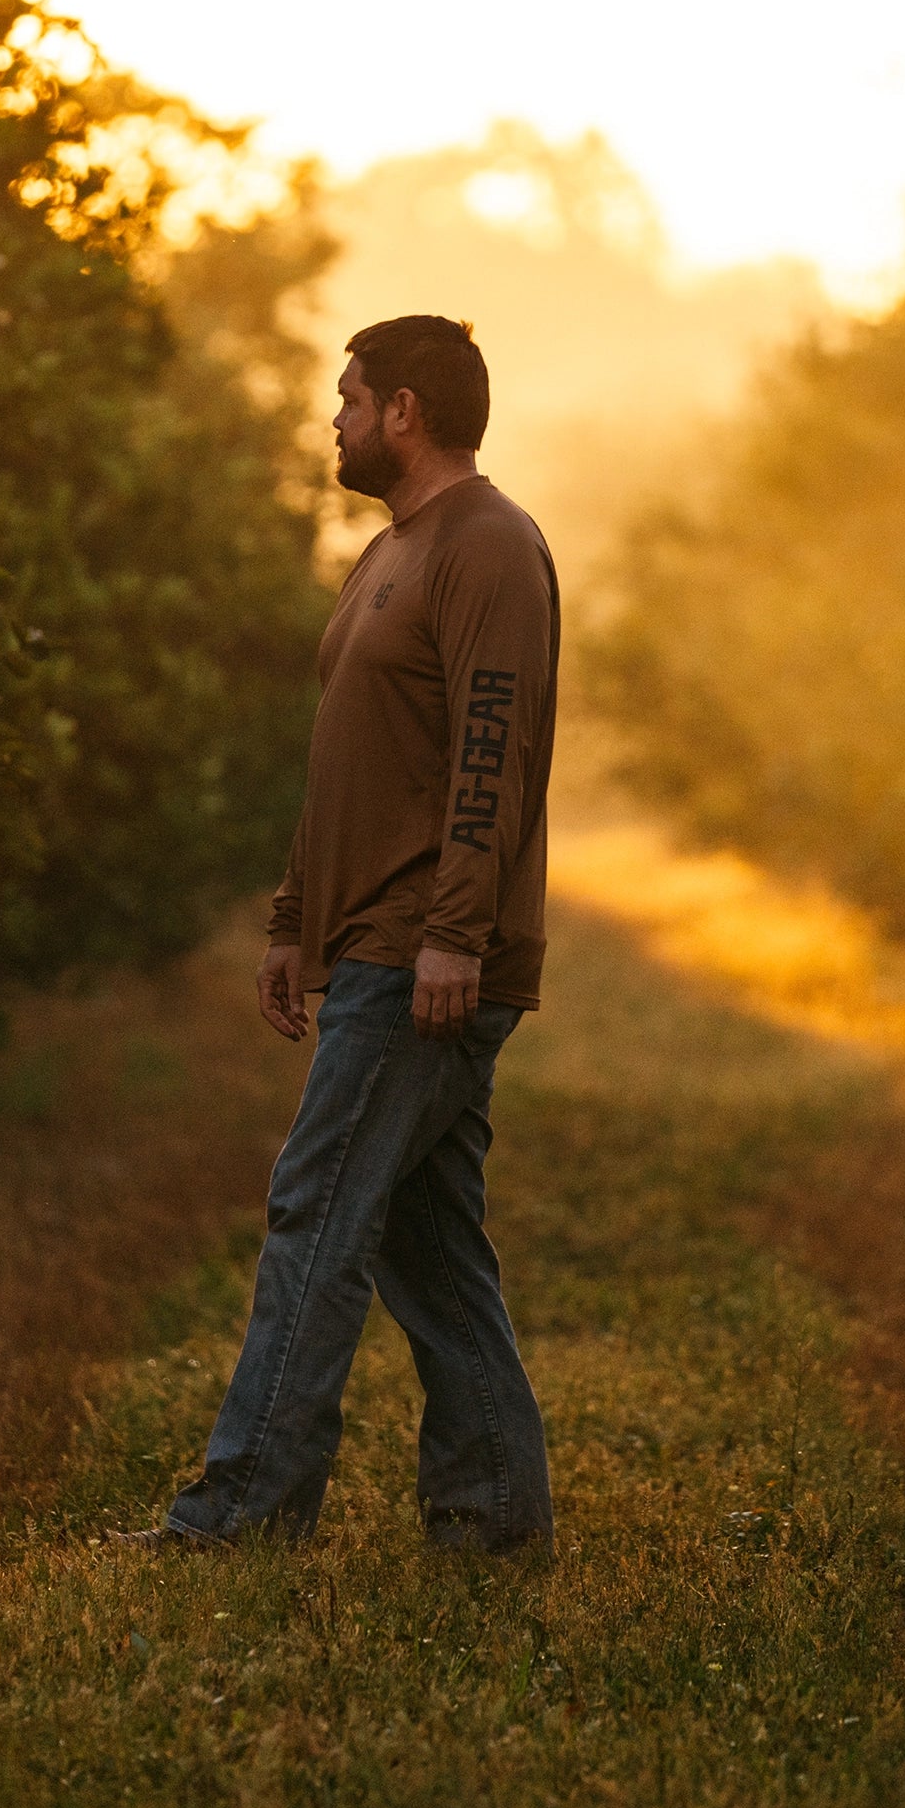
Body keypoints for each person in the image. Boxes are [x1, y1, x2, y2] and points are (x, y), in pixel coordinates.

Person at [129, 313, 559, 1554]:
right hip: (367, 937)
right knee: (427, 1245)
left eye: (350, 397)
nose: (335, 419)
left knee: (315, 1208)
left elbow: (491, 750)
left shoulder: (485, 548)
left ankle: (247, 1508)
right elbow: (350, 762)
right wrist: (289, 919)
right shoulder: (392, 552)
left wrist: (452, 937)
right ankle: (491, 1520)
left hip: (421, 953)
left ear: (406, 411)